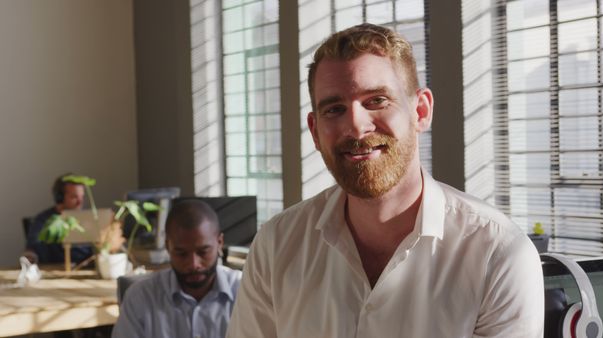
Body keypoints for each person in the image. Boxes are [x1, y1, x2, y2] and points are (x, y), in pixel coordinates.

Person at [227, 23, 544, 337]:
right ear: (314, 131)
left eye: (376, 101)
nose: (355, 126)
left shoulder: (498, 253)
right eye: (334, 109)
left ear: (420, 111)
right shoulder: (276, 245)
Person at [112, 199, 242, 338]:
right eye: (181, 254)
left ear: (220, 243)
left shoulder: (245, 291)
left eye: (203, 252)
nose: (193, 264)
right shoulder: (140, 297)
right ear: (168, 247)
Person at [24, 173, 93, 264]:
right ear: (59, 197)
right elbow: (32, 248)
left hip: (86, 267)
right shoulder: (44, 220)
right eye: (74, 197)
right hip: (55, 268)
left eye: (82, 197)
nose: (80, 202)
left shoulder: (90, 219)